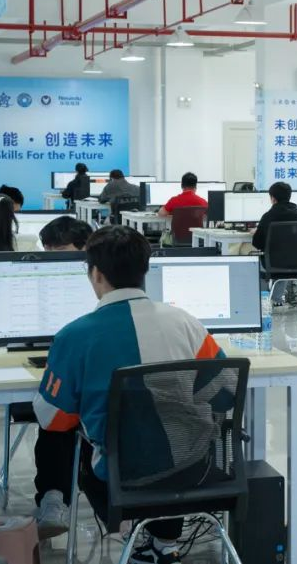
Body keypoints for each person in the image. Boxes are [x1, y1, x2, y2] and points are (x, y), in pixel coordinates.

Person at [33, 226, 226, 564]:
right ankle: (162, 543)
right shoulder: (186, 323)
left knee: (69, 436)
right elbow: (221, 392)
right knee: (170, 433)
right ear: (145, 270)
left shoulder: (74, 336)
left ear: (95, 274)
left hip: (120, 480)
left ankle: (59, 501)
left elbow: (52, 419)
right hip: (196, 469)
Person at [19, 215, 94, 536]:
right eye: (47, 250)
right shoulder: (38, 279)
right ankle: (54, 496)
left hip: (98, 378)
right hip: (60, 361)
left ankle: (58, 496)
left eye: (60, 250)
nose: (52, 258)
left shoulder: (104, 281)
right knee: (59, 412)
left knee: (63, 413)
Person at [251, 181, 297, 250]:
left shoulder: (267, 217)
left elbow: (257, 244)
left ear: (273, 198)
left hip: (273, 257)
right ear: (289, 197)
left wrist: (257, 232)